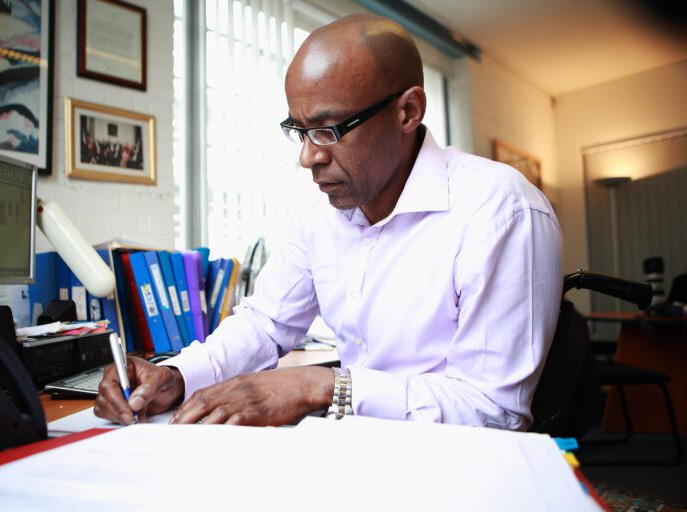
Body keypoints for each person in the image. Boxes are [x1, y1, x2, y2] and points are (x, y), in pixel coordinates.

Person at [94, 14, 563, 429]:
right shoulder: (322, 209)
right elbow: (267, 323)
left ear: (408, 111)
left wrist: (322, 388)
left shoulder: (500, 210)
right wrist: (175, 376)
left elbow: (492, 409)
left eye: (329, 129)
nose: (307, 156)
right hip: (352, 447)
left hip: (451, 469)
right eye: (299, 131)